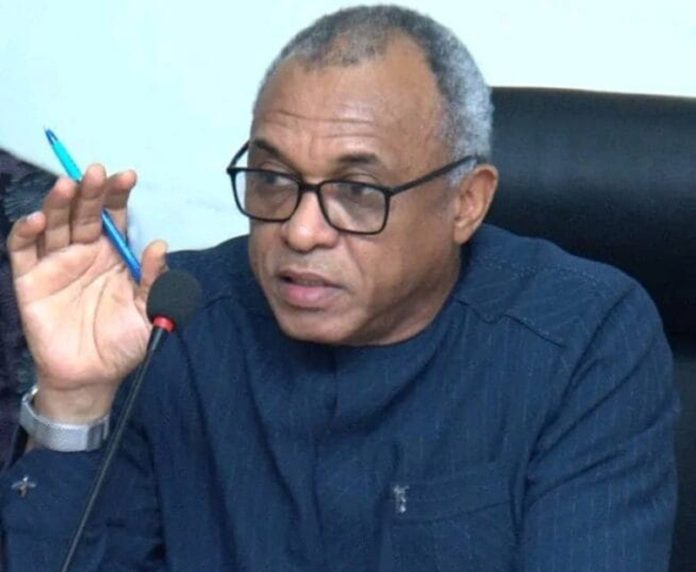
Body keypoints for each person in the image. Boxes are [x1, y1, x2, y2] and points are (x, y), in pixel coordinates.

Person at [0, 5, 677, 571]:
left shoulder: (581, 336)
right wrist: (75, 400)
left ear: (465, 203)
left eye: (356, 190)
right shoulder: (175, 317)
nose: (300, 231)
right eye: (273, 179)